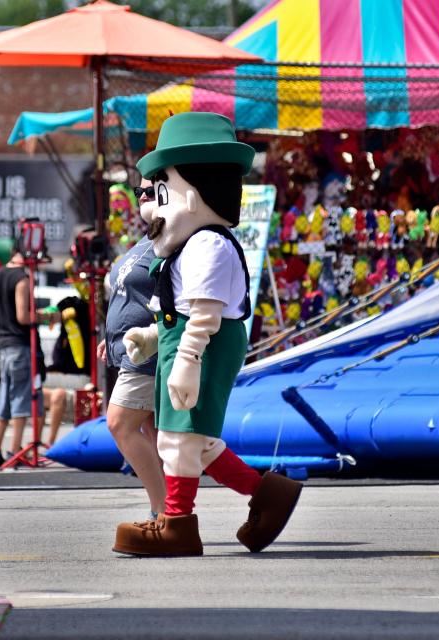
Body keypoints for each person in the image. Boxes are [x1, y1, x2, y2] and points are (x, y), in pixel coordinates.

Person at [114, 113, 303, 557]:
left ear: (192, 194)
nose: (150, 208)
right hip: (183, 344)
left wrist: (187, 359)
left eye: (159, 193)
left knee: (180, 438)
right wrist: (149, 336)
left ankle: (177, 523)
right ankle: (267, 495)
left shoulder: (208, 245)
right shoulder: (188, 245)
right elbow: (178, 310)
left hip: (203, 346)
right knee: (193, 441)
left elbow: (204, 314)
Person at [98, 177, 166, 520]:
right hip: (130, 350)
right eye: (139, 191)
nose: (142, 197)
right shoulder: (149, 238)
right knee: (157, 437)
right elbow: (129, 297)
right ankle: (172, 511)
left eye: (150, 191)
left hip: (148, 352)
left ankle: (162, 510)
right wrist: (109, 339)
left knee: (120, 424)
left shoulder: (173, 239)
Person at [0, 249, 65, 467]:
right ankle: (15, 450)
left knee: (5, 398)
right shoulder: (21, 278)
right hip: (20, 345)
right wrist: (47, 316)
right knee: (21, 398)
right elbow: (23, 316)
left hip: (3, 346)